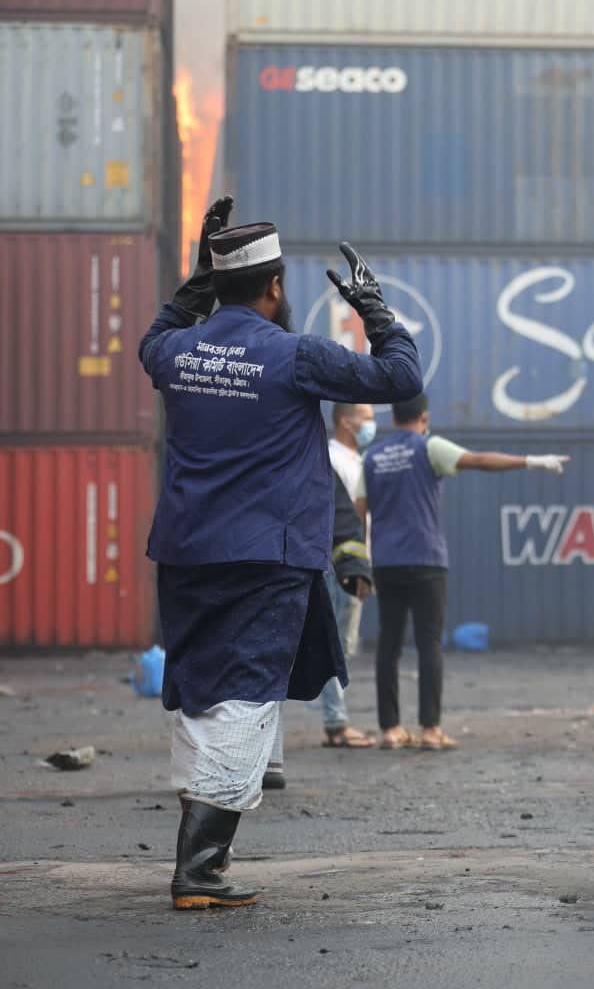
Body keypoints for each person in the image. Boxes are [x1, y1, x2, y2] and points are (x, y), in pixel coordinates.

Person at [140, 204, 421, 909]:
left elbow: (155, 336)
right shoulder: (294, 355)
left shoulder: (178, 352)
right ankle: (200, 869)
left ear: (218, 285)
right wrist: (373, 307)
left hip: (185, 552)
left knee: (200, 690)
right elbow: (401, 377)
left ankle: (201, 855)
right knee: (247, 695)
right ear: (275, 287)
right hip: (265, 556)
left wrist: (199, 280)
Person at [359, 395, 567, 752]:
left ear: (392, 418)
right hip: (425, 559)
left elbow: (359, 510)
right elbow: (480, 461)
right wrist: (531, 461)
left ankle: (390, 730)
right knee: (429, 642)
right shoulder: (429, 447)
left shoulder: (372, 456)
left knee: (388, 644)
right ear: (425, 417)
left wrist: (362, 560)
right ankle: (430, 730)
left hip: (386, 561)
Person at [318, 403, 378, 749]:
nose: (372, 424)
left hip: (353, 563)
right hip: (337, 566)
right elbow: (341, 521)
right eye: (366, 418)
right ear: (345, 421)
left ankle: (336, 716)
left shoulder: (357, 460)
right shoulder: (332, 459)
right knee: (336, 646)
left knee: (343, 645)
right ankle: (336, 722)